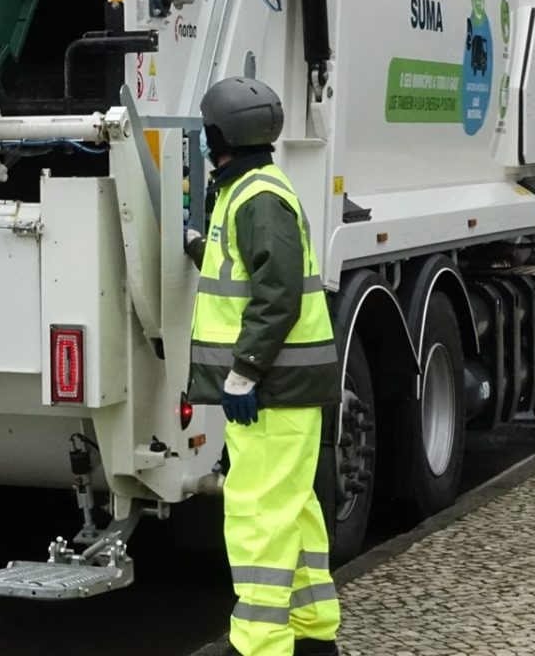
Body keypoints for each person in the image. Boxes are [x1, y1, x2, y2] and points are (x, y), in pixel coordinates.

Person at [184, 78, 341, 656]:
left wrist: (245, 371)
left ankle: (260, 645)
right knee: (294, 510)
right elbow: (246, 270)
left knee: (256, 518)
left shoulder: (257, 197)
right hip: (286, 390)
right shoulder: (251, 190)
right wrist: (200, 245)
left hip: (273, 390)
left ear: (220, 135)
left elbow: (277, 293)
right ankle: (313, 634)